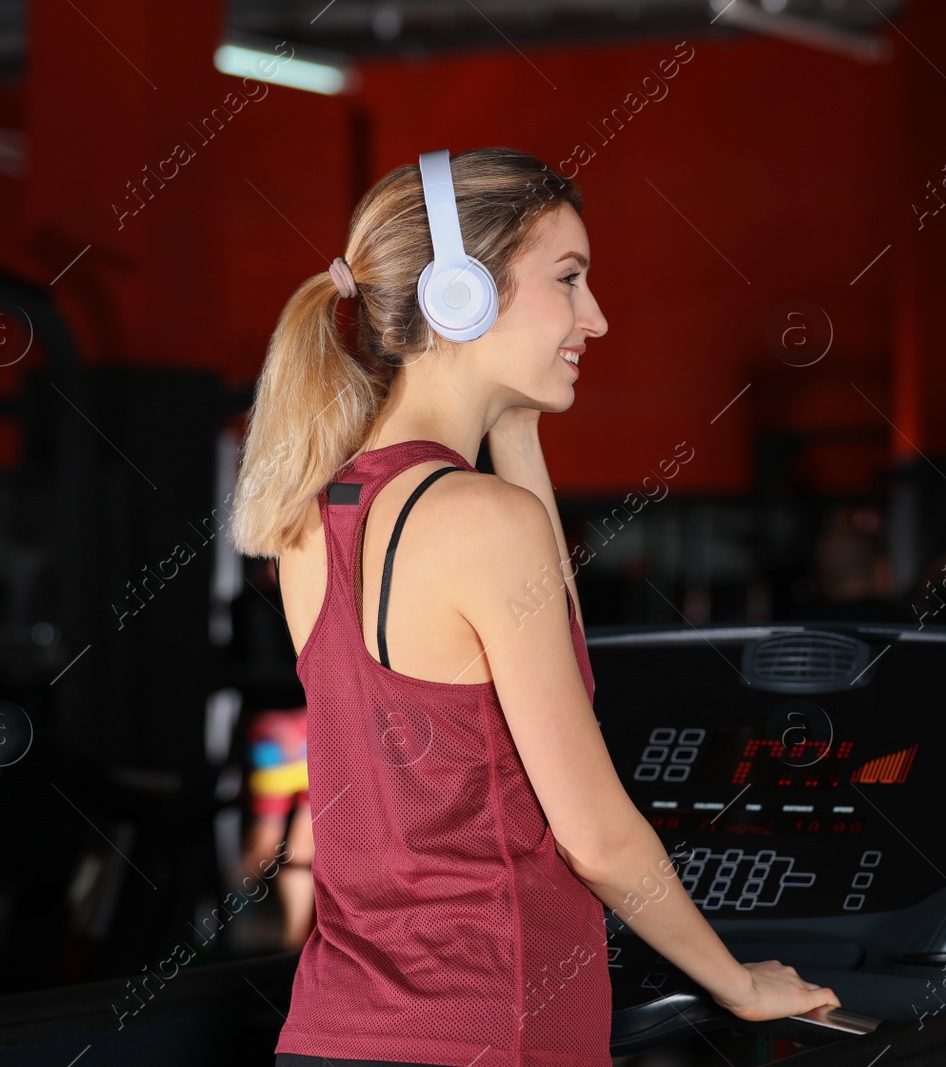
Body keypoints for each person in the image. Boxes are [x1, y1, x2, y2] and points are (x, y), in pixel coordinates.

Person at [226, 147, 838, 1067]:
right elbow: (593, 835)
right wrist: (739, 982)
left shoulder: (316, 515)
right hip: (489, 1033)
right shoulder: (483, 522)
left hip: (331, 1036)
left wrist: (513, 423)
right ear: (463, 294)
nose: (594, 316)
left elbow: (558, 657)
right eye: (570, 277)